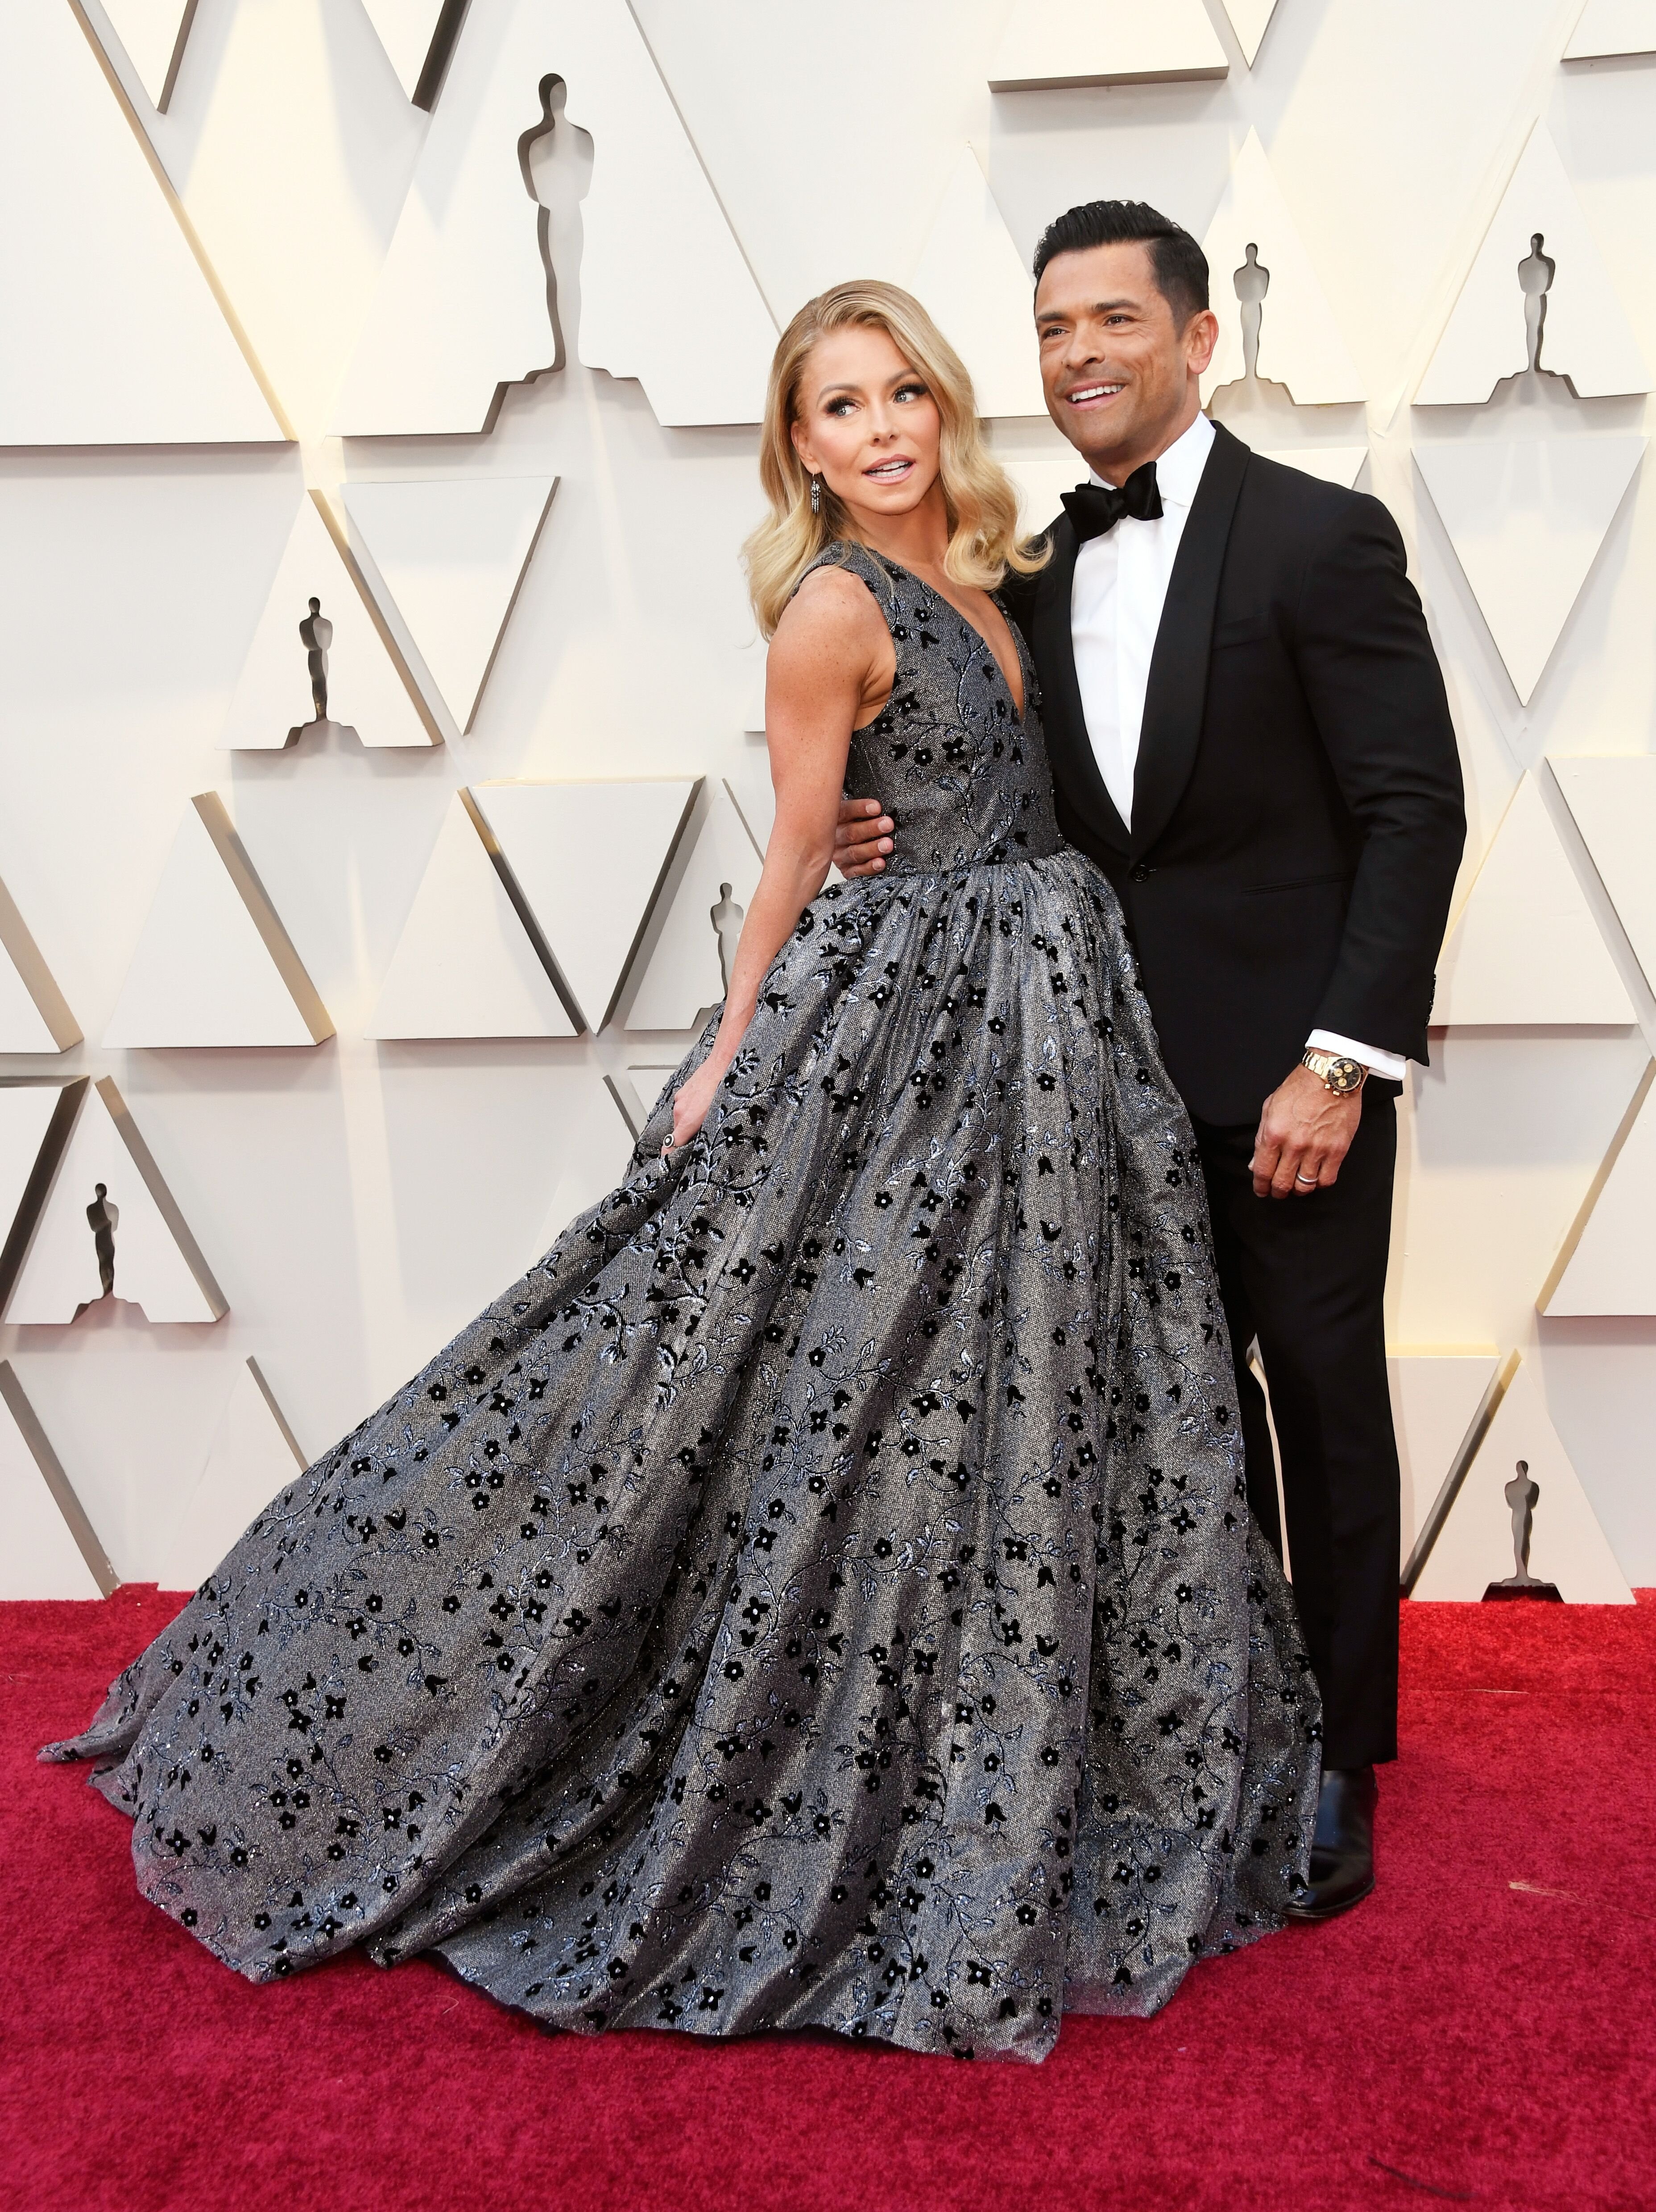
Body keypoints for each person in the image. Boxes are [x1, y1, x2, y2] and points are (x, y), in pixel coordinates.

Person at [45, 282, 1316, 2063]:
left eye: (900, 397)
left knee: (1010, 1392)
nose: (877, 430)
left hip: (1049, 1023)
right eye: (838, 409)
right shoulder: (829, 608)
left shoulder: (989, 577)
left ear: (941, 410)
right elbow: (800, 844)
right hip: (920, 1029)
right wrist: (725, 1058)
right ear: (796, 446)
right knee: (796, 1379)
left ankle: (1019, 1740)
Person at [836, 204, 1466, 1924]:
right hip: (1094, 1083)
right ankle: (1215, 1724)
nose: (1080, 354)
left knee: (1326, 1408)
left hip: (1294, 1077)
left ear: (1197, 337)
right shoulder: (1026, 576)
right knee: (1173, 1422)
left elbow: (1415, 811)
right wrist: (871, 825)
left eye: (1115, 318)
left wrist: (1341, 1064)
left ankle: (1340, 1753)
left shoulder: (1325, 540)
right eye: (1051, 329)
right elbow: (991, 796)